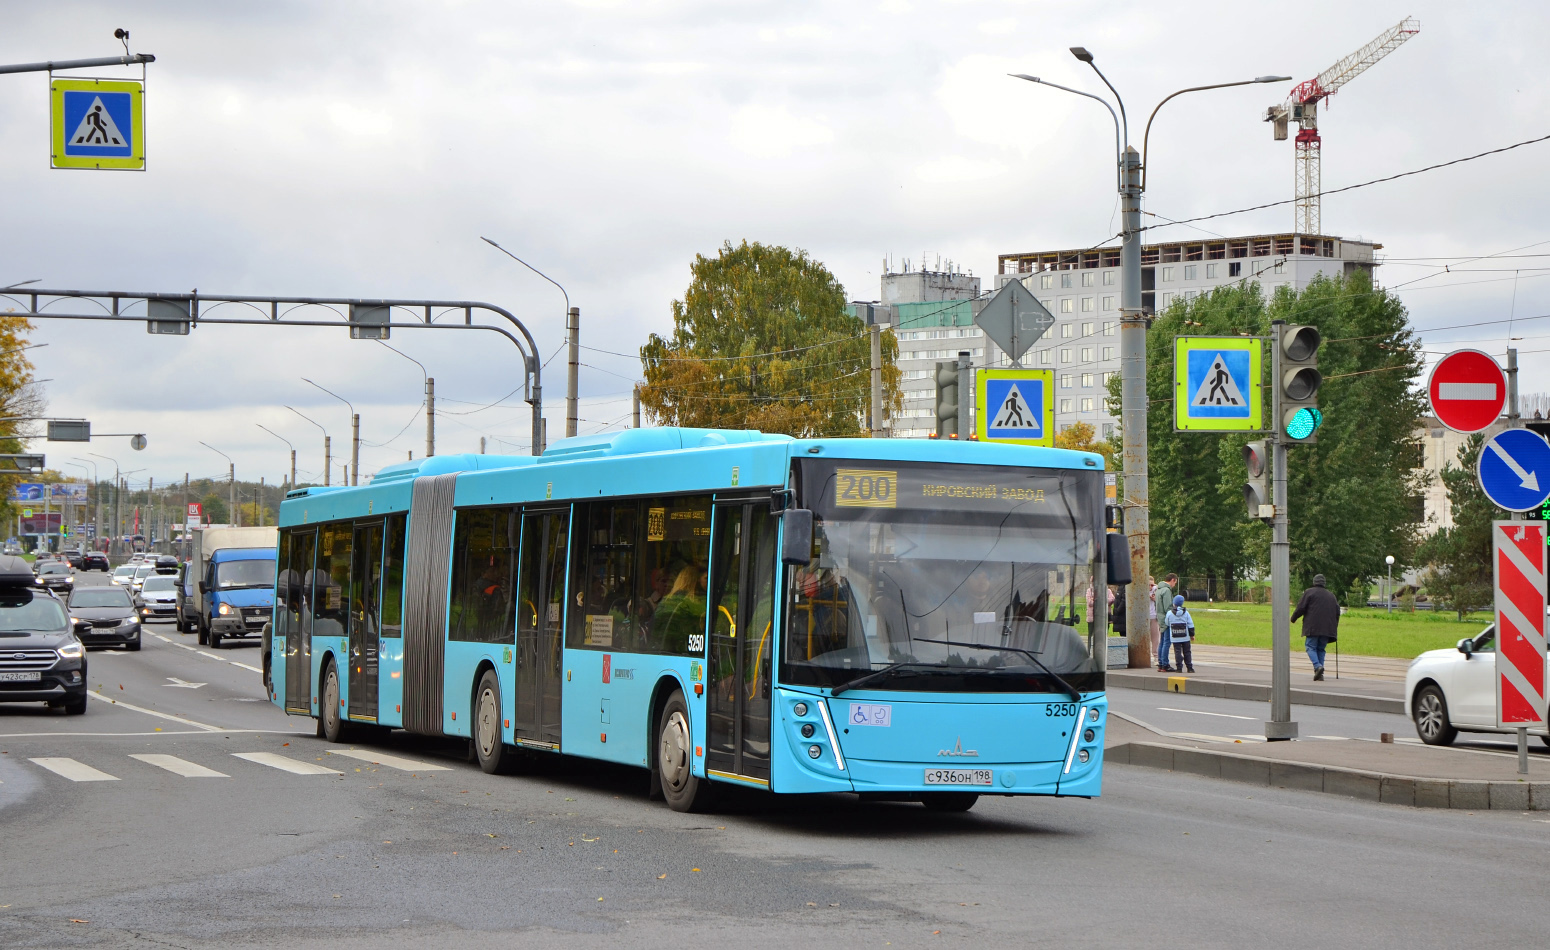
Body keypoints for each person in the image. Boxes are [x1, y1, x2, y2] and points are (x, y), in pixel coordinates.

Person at [1291, 573, 1340, 681]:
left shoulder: (1309, 592)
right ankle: (1320, 674)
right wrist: (1334, 628)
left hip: (1312, 627)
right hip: (1328, 628)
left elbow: (1301, 608)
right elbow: (1337, 613)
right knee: (1321, 649)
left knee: (1310, 647)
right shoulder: (1331, 596)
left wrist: (1293, 618)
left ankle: (1318, 666)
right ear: (1324, 583)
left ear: (1314, 582)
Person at [1163, 594, 1195, 673]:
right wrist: (1192, 634)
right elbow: (1190, 624)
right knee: (1187, 652)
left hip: (1175, 637)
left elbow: (1167, 623)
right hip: (1185, 637)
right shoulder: (1186, 613)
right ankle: (1190, 668)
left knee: (1177, 652)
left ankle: (1179, 668)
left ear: (1174, 603)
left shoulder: (1169, 613)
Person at [1152, 574, 1176, 671]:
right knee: (1167, 642)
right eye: (1175, 582)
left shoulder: (1159, 590)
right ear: (1173, 580)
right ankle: (1165, 664)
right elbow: (1168, 607)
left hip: (1160, 618)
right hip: (1166, 619)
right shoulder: (1166, 590)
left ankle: (1161, 663)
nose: (1174, 585)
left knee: (1162, 641)